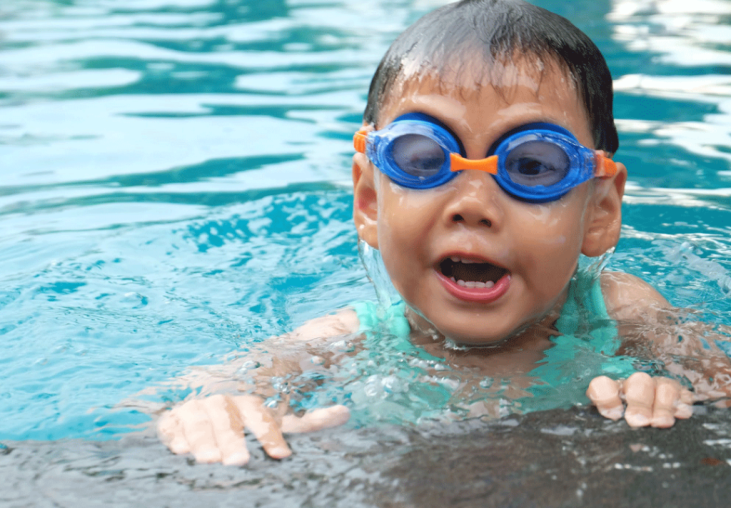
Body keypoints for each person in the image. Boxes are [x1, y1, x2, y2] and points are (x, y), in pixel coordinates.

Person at [156, 0, 731, 466]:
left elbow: (719, 390)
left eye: (532, 165)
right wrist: (209, 411)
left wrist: (669, 397)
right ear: (368, 200)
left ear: (599, 211)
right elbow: (203, 392)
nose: (473, 206)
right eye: (423, 158)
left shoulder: (621, 314)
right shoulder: (349, 338)